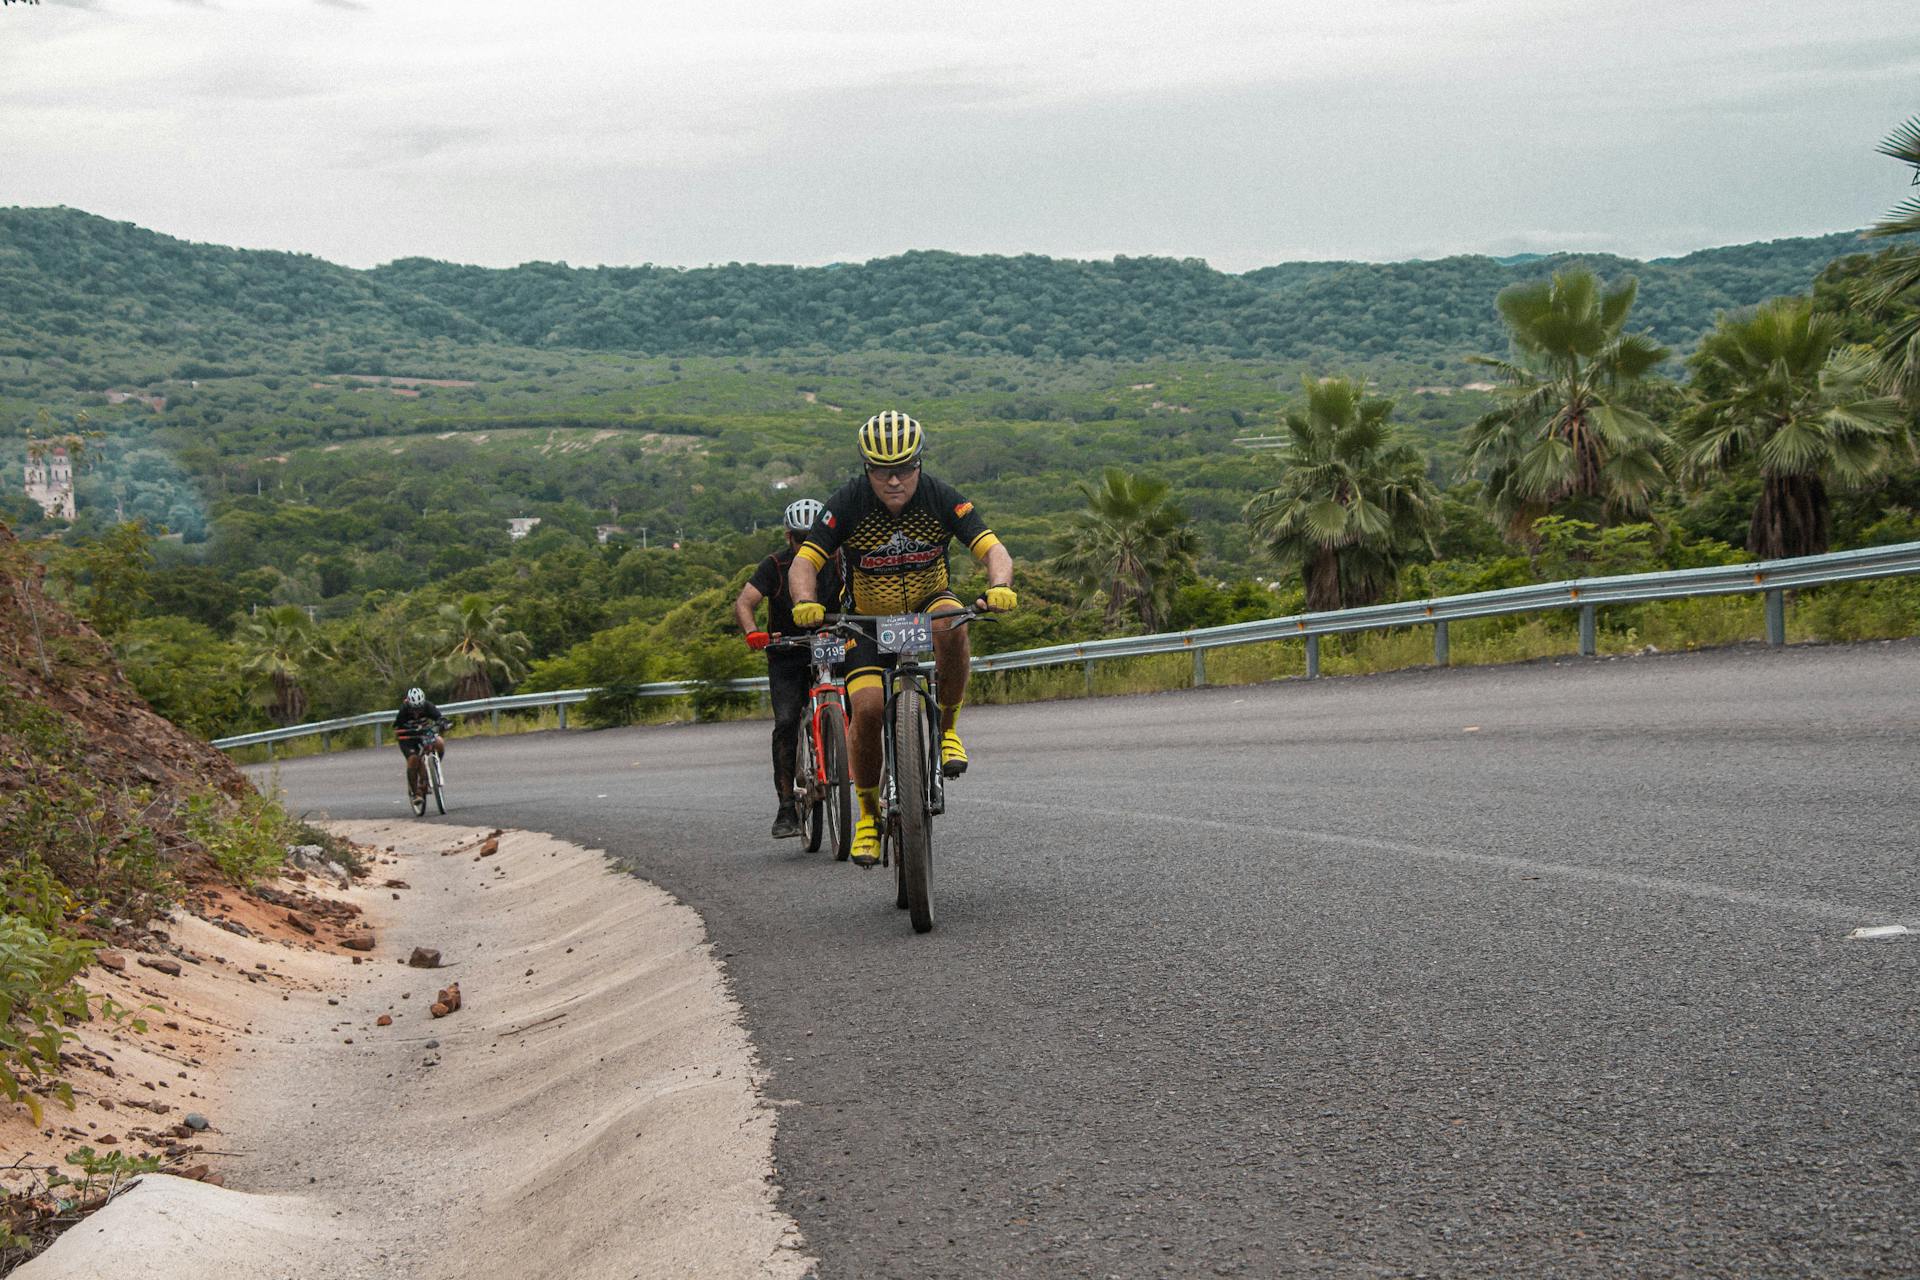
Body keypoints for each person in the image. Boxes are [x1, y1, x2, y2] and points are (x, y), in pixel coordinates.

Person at [788, 410, 1016, 866]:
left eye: (905, 469)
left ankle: (948, 729)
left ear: (919, 464)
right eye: (880, 470)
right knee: (869, 707)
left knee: (952, 619)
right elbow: (804, 563)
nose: (894, 481)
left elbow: (993, 549)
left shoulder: (938, 496)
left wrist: (1000, 585)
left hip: (929, 600)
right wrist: (804, 601)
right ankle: (869, 815)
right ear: (865, 468)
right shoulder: (848, 502)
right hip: (867, 621)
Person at [733, 498, 845, 839]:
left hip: (834, 642)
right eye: (800, 538)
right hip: (787, 651)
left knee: (866, 699)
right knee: (785, 722)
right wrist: (753, 632)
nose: (806, 544)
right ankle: (785, 806)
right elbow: (745, 602)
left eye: (813, 536)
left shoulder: (842, 561)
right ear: (788, 538)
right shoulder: (774, 566)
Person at [393, 687, 449, 799]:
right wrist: (402, 732)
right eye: (414, 709)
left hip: (424, 734)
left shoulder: (428, 706)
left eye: (419, 709)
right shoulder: (403, 710)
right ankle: (415, 792)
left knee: (440, 743)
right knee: (413, 759)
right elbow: (396, 727)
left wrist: (443, 723)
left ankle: (435, 766)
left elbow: (439, 717)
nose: (416, 712)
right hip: (408, 738)